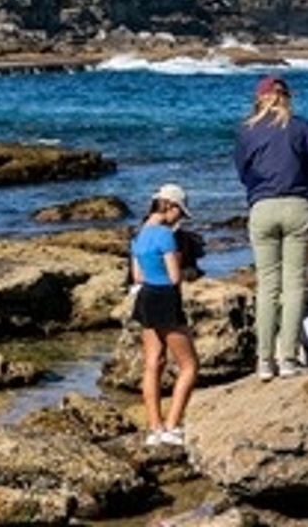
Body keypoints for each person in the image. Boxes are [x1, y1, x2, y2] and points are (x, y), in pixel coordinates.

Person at [234, 75, 308, 381]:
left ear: (259, 98)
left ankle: (265, 360)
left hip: (262, 207)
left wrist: (257, 188)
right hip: (298, 204)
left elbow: (242, 169)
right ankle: (288, 358)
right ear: (288, 97)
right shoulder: (302, 127)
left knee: (267, 285)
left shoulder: (247, 131)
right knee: (294, 285)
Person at [131, 183, 199, 447]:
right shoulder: (165, 236)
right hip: (165, 299)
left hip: (145, 298)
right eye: (179, 213)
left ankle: (154, 428)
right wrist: (185, 270)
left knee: (153, 363)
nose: (179, 219)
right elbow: (173, 277)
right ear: (169, 207)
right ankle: (172, 426)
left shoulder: (138, 236)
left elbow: (137, 276)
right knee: (189, 365)